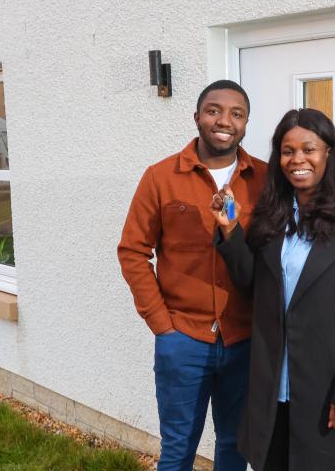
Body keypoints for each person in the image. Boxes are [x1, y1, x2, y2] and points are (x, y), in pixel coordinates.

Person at [117, 80, 267, 471]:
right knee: (178, 447)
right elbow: (133, 251)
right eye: (214, 110)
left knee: (235, 446)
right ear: (197, 117)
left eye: (237, 113)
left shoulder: (264, 181)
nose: (224, 121)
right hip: (182, 338)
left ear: (247, 123)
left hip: (244, 338)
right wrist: (161, 324)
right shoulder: (161, 177)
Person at [211, 108, 335, 471]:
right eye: (287, 151)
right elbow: (252, 284)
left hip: (328, 392)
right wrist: (231, 232)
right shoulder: (274, 216)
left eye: (309, 149)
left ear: (329, 153)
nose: (297, 159)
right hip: (273, 391)